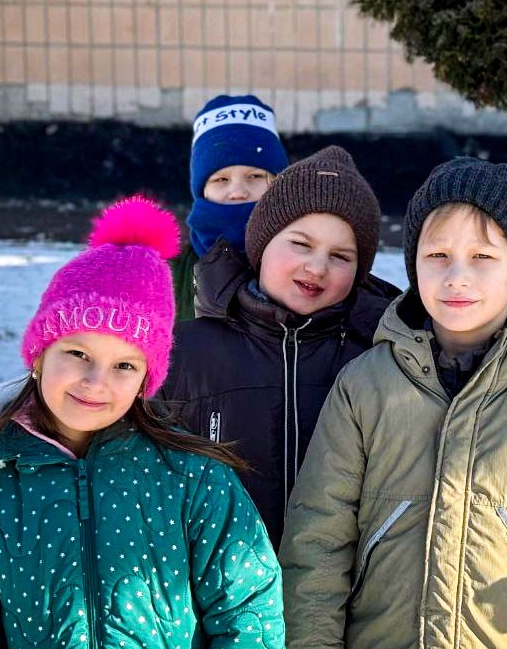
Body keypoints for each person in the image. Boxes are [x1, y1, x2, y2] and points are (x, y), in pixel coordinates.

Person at [280, 157, 507, 649]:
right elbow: (316, 544)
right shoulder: (365, 387)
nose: (456, 276)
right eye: (438, 255)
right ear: (414, 267)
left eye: (484, 258)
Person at [0, 196, 284, 649]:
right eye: (78, 354)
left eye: (124, 364)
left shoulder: (195, 481)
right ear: (40, 355)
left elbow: (248, 619)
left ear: (147, 378)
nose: (95, 382)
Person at [162, 145, 399, 546]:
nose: (317, 267)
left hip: (337, 597)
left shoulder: (379, 358)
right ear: (261, 244)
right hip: (215, 593)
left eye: (341, 256)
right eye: (301, 245)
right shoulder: (186, 354)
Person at [172, 93, 289, 321]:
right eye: (221, 180)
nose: (237, 192)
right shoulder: (166, 276)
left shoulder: (303, 264)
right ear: (201, 191)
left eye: (255, 176)